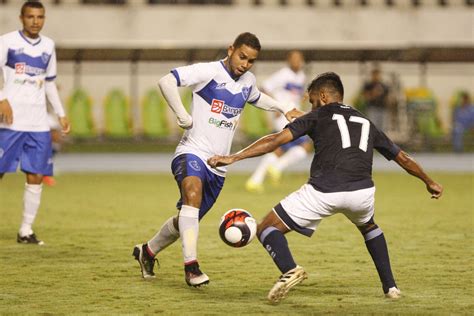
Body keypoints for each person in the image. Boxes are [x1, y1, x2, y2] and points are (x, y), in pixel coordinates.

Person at [208, 72, 443, 303]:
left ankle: (290, 270)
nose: (311, 108)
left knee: (267, 228)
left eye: (311, 102)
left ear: (322, 96)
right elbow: (402, 157)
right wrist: (428, 181)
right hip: (362, 194)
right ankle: (391, 287)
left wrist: (234, 157)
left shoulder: (317, 116)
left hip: (324, 192)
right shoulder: (364, 120)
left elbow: (275, 141)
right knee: (369, 226)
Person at [132, 32, 302, 287]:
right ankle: (192, 268)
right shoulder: (207, 71)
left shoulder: (248, 81)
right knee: (192, 193)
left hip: (218, 165)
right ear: (231, 49)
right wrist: (182, 116)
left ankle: (147, 251)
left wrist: (283, 108)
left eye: (251, 61)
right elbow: (166, 81)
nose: (245, 64)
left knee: (186, 220)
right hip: (191, 151)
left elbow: (256, 97)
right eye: (242, 57)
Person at [0, 1, 71, 245]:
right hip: (9, 122)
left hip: (38, 123)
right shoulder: (7, 41)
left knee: (36, 176)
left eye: (40, 17)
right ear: (21, 18)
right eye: (30, 16)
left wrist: (60, 113)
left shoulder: (49, 46)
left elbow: (49, 82)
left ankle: (26, 231)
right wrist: (2, 99)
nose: (35, 21)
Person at [246, 50, 312, 193]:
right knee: (304, 145)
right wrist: (276, 107)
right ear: (289, 60)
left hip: (294, 116)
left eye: (299, 59)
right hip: (284, 116)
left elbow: (295, 95)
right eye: (294, 58)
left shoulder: (301, 76)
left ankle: (255, 180)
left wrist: (303, 98)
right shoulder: (283, 74)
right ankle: (275, 168)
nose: (297, 61)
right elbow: (264, 87)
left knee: (280, 149)